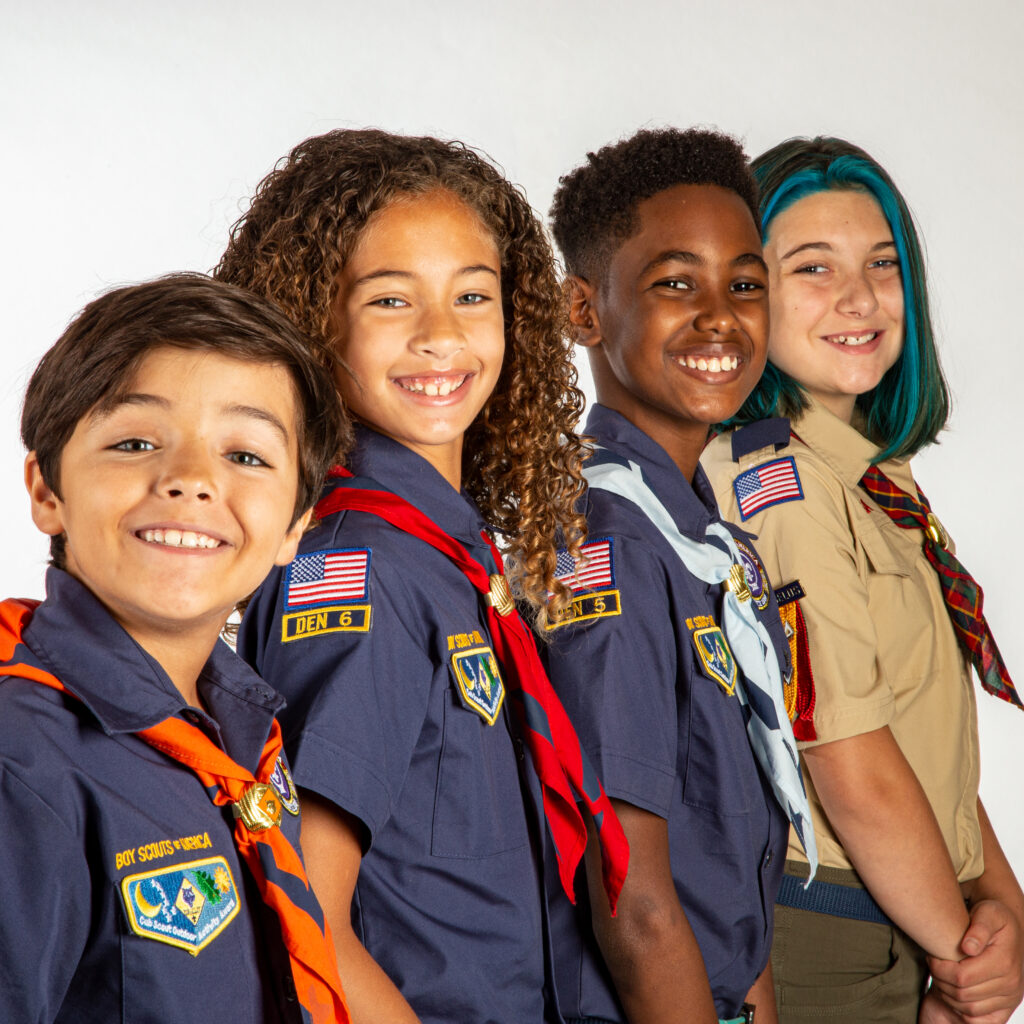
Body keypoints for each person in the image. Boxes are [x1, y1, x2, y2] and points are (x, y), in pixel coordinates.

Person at [216, 128, 628, 1024]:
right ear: (314, 319)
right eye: (391, 300)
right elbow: (306, 911)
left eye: (472, 296)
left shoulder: (454, 557)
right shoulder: (364, 570)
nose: (441, 337)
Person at [702, 136, 1024, 1024]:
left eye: (882, 264)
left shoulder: (874, 482)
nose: (860, 298)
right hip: (833, 936)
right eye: (813, 268)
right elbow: (848, 763)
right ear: (746, 294)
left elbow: (924, 748)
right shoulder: (785, 492)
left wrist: (1006, 912)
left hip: (909, 906)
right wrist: (965, 952)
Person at [0, 274, 351, 1023]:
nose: (191, 480)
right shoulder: (20, 762)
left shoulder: (243, 730)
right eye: (135, 443)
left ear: (296, 524)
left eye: (247, 456)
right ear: (46, 490)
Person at [541, 126, 815, 1024]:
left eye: (745, 283)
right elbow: (638, 899)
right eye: (674, 283)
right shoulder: (607, 541)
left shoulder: (701, 538)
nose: (720, 315)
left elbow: (730, 870)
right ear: (583, 312)